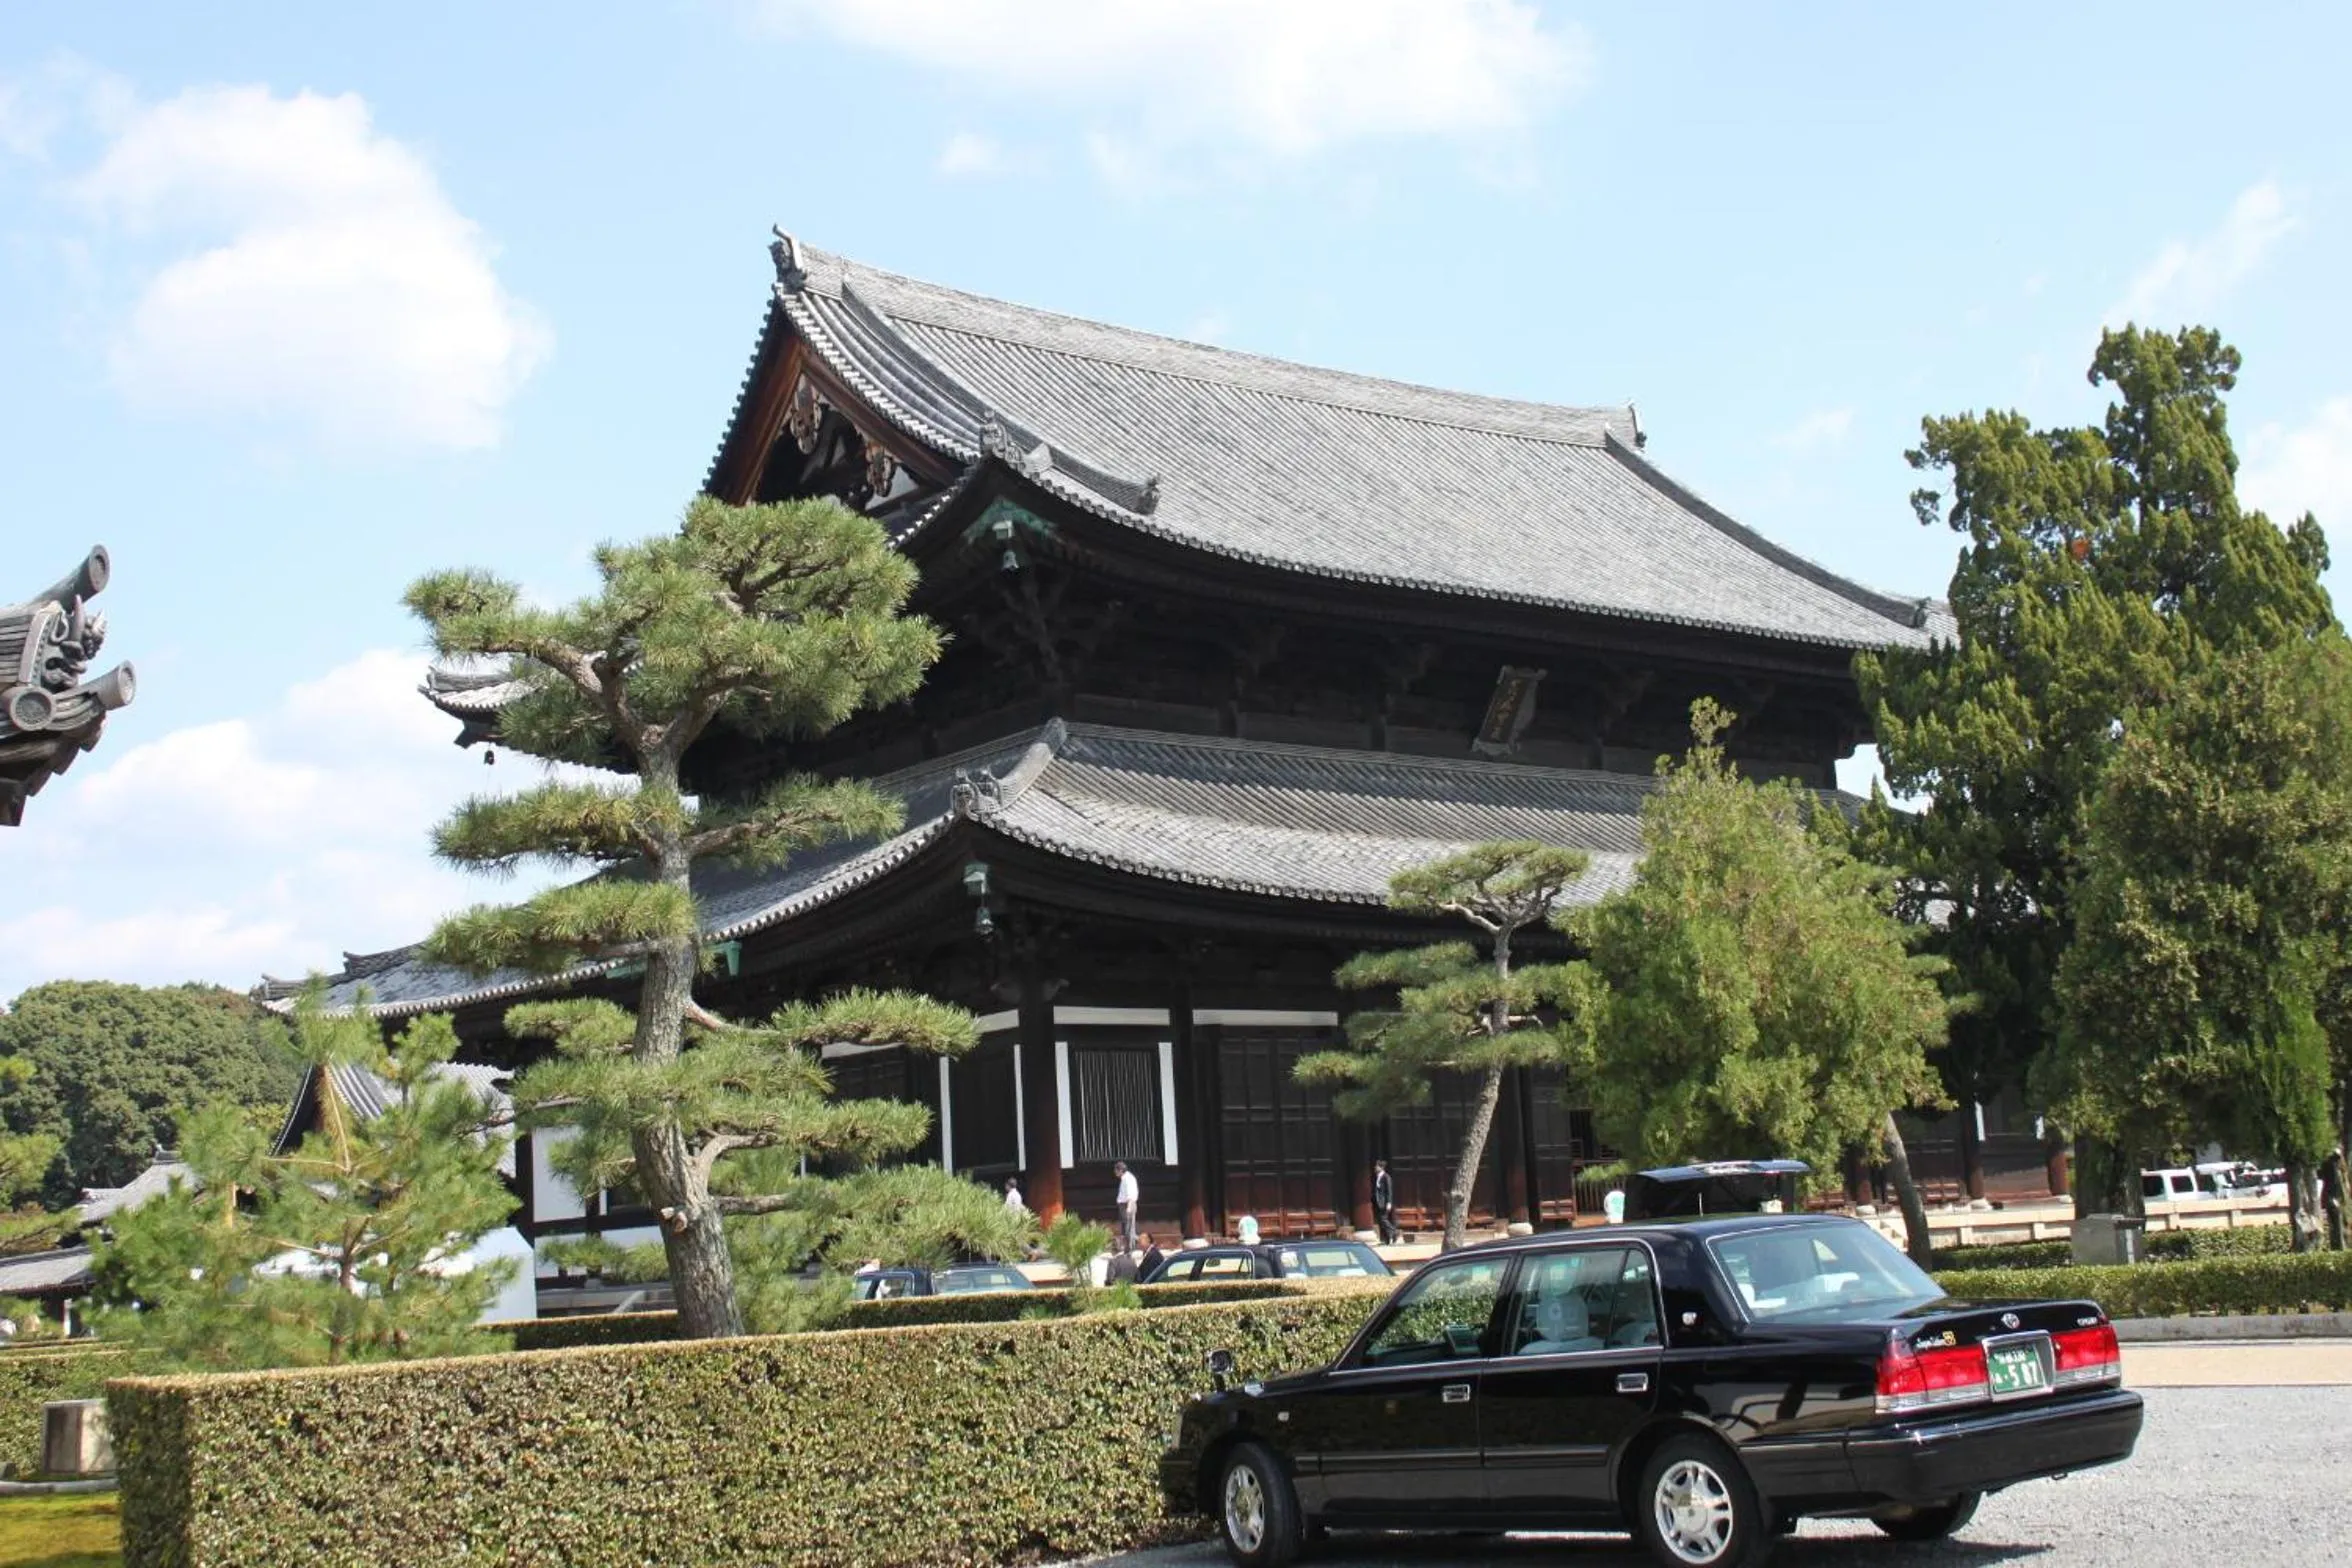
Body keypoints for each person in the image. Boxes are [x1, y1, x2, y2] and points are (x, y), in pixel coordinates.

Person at [1371, 1158, 1400, 1245]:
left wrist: (1389, 1203)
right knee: (1381, 1220)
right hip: (1378, 1202)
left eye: (1376, 1166)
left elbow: (1389, 1191)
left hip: (1384, 1202)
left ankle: (1394, 1232)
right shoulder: (1377, 1177)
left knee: (1383, 1219)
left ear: (1381, 1167)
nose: (1375, 1168)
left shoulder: (1386, 1177)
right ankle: (1388, 1238)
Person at [1113, 1160, 1140, 1251]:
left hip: (1127, 1204)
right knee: (1126, 1227)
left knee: (1129, 1228)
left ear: (1120, 1170)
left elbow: (1130, 1194)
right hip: (1124, 1205)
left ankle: (1130, 1249)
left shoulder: (1127, 1178)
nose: (1115, 1172)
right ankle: (1128, 1248)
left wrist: (1128, 1207)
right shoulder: (1126, 1178)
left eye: (1116, 1170)